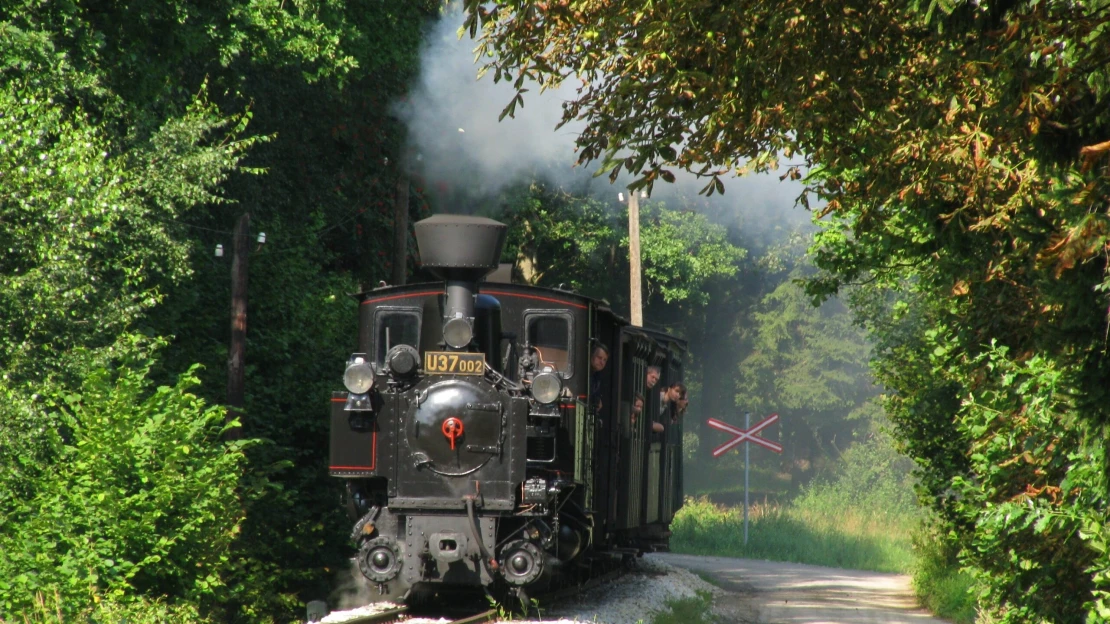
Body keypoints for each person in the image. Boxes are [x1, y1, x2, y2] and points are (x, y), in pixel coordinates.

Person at [589, 343, 609, 413]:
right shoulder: (584, 372)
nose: (602, 362)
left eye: (604, 360)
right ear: (591, 355)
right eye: (599, 358)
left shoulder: (598, 376)